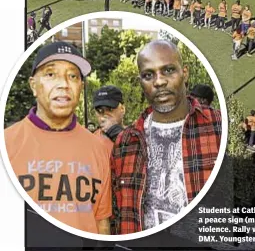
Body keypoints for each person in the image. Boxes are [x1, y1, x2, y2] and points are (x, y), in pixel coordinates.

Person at [111, 40, 223, 234]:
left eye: (168, 70)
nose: (159, 81)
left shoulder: (217, 126)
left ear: (184, 73)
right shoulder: (125, 142)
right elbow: (116, 215)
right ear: (141, 82)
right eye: (148, 75)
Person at [4, 42, 112, 234]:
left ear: (81, 86)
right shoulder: (7, 143)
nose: (63, 84)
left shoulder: (98, 147)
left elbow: (102, 222)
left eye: (72, 76)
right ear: (33, 85)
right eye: (51, 74)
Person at [92, 85, 126, 156]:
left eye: (110, 109)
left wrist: (118, 134)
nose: (105, 115)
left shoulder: (137, 135)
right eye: (100, 110)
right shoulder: (91, 141)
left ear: (122, 109)